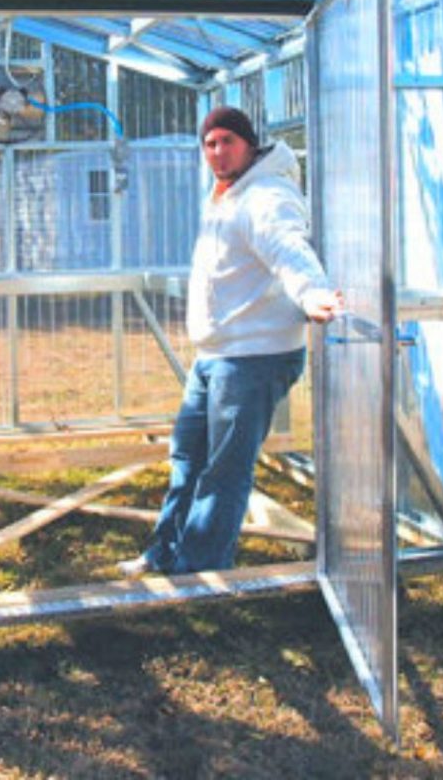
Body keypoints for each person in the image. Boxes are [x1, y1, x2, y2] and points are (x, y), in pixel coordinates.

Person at [118, 106, 343, 577]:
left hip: (252, 358)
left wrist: (313, 292)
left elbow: (288, 248)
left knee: (224, 471)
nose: (218, 152)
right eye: (210, 144)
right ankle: (165, 552)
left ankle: (199, 570)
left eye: (228, 141)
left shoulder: (266, 196)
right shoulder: (226, 194)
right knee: (188, 456)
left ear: (249, 144)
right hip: (217, 355)